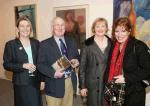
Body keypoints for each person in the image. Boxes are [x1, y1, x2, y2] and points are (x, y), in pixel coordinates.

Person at [105, 17, 150, 106]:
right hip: (116, 91)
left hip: (134, 93)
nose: (119, 35)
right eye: (117, 31)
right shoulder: (114, 46)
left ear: (129, 31)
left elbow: (148, 70)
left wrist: (126, 78)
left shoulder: (139, 46)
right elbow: (108, 67)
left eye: (123, 31)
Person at [37, 17, 79, 106]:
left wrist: (77, 60)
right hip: (54, 83)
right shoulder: (44, 44)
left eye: (62, 25)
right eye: (57, 25)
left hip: (69, 82)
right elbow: (40, 65)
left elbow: (77, 56)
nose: (60, 27)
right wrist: (53, 73)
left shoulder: (72, 41)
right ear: (52, 27)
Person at [3, 16, 43, 106]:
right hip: (21, 83)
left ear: (30, 28)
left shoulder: (36, 43)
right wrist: (23, 65)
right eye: (22, 26)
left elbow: (41, 63)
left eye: (28, 26)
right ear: (17, 29)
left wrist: (43, 81)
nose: (25, 29)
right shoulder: (11, 45)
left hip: (35, 82)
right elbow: (6, 64)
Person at [79, 18, 113, 106]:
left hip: (107, 82)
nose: (100, 29)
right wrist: (82, 86)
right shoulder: (87, 44)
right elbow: (82, 67)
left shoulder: (112, 43)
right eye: (97, 26)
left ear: (106, 29)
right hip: (92, 84)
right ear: (94, 29)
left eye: (103, 26)